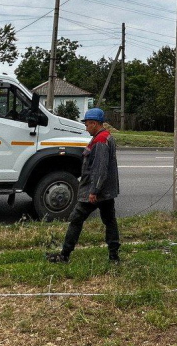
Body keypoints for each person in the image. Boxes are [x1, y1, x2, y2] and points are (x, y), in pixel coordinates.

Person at [47, 107, 121, 263]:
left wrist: (93, 191)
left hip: (95, 191)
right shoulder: (105, 137)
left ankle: (65, 255)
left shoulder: (101, 140)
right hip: (106, 191)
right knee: (110, 221)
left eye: (87, 124)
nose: (86, 128)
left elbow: (100, 169)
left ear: (94, 123)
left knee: (76, 219)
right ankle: (114, 256)